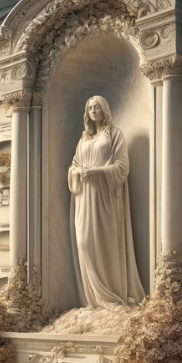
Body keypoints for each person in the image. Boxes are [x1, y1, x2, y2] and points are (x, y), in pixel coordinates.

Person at [68, 95, 145, 310]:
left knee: (107, 243)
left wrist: (95, 171)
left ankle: (112, 296)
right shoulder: (83, 139)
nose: (93, 111)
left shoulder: (115, 135)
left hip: (106, 197)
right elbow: (73, 166)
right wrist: (78, 172)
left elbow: (122, 167)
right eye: (89, 107)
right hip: (85, 197)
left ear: (104, 109)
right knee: (84, 242)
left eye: (96, 107)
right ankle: (96, 298)